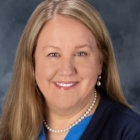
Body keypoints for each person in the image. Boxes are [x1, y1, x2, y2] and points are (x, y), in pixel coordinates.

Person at [0, 0, 140, 139]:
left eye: (81, 53)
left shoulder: (131, 133)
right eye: (53, 54)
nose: (67, 70)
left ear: (101, 62)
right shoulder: (7, 131)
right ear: (32, 63)